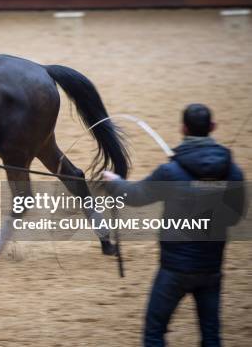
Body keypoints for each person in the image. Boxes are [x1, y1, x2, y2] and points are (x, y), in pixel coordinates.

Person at [102, 104, 246, 347]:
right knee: (211, 335)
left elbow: (136, 196)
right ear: (212, 128)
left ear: (183, 128)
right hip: (211, 269)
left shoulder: (170, 171)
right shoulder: (233, 172)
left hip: (174, 269)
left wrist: (115, 183)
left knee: (155, 332)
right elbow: (234, 217)